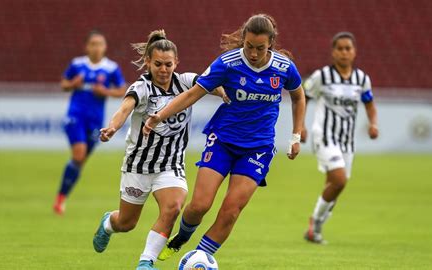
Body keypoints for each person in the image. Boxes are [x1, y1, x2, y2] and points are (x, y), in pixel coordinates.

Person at [142, 14, 306, 260]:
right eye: (249, 46)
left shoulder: (284, 68)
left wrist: (295, 135)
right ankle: (182, 237)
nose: (253, 53)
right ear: (243, 39)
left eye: (260, 48)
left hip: (258, 148)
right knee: (199, 206)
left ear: (270, 43)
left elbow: (298, 96)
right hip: (222, 141)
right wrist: (159, 115)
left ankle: (198, 259)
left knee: (231, 211)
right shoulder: (227, 63)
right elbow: (193, 94)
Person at [92, 30, 226, 270]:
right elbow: (124, 108)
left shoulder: (184, 81)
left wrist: (221, 91)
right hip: (138, 166)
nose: (163, 70)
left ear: (176, 63)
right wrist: (112, 127)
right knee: (127, 222)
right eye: (157, 64)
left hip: (171, 165)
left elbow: (208, 83)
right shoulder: (141, 88)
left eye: (168, 64)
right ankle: (108, 224)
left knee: (173, 207)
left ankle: (146, 262)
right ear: (148, 63)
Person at [302, 32, 379, 244]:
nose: (344, 52)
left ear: (354, 52)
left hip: (347, 141)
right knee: (339, 179)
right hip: (325, 136)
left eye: (348, 48)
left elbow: (370, 104)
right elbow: (303, 96)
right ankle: (315, 222)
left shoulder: (361, 79)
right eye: (340, 48)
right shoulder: (322, 76)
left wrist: (373, 123)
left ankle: (315, 228)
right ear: (333, 52)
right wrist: (300, 125)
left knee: (335, 185)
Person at [53, 30, 126, 215]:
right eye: (93, 44)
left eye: (100, 44)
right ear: (87, 47)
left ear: (105, 47)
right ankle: (60, 200)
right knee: (79, 155)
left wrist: (106, 92)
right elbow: (63, 84)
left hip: (95, 121)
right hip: (75, 116)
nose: (96, 48)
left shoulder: (111, 68)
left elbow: (122, 90)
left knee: (79, 161)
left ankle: (61, 198)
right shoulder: (77, 64)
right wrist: (72, 84)